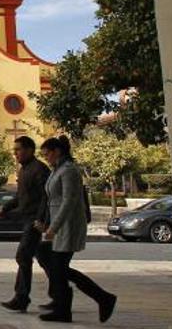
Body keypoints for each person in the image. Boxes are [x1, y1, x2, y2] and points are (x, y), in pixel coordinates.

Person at [35, 136, 117, 323]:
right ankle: (64, 304)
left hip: (68, 226)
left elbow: (68, 201)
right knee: (47, 258)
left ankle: (100, 299)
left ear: (57, 151)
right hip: (57, 225)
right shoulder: (57, 170)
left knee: (59, 267)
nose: (46, 158)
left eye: (47, 154)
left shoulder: (69, 171)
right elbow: (51, 201)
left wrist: (54, 228)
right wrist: (46, 223)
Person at [0, 136, 50, 313]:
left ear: (29, 150)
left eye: (18, 149)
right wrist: (5, 208)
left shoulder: (39, 170)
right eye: (15, 150)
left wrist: (41, 219)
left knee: (23, 256)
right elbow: (20, 196)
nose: (15, 153)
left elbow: (46, 197)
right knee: (45, 260)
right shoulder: (24, 170)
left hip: (34, 220)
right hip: (27, 218)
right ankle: (61, 294)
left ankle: (21, 297)